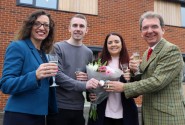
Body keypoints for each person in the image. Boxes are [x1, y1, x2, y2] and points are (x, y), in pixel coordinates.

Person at [106, 11, 185, 125]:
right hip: (149, 115)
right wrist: (134, 72)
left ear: (163, 29)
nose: (149, 31)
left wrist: (124, 87)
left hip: (167, 118)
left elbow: (157, 82)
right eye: (145, 28)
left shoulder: (171, 50)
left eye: (154, 26)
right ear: (141, 32)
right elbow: (143, 80)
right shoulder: (146, 53)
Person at [0, 10, 58, 125]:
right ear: (29, 26)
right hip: (20, 116)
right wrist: (35, 75)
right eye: (37, 23)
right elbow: (6, 84)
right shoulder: (18, 47)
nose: (42, 28)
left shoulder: (43, 53)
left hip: (40, 116)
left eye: (46, 25)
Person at [46, 14, 99, 125]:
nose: (78, 29)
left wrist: (89, 83)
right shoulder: (57, 47)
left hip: (78, 108)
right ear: (69, 28)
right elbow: (57, 75)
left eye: (81, 26)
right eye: (75, 25)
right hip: (59, 106)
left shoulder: (89, 53)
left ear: (86, 30)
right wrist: (84, 85)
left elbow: (89, 79)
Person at [87, 32, 139, 125]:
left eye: (116, 42)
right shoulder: (98, 63)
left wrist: (131, 78)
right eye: (110, 42)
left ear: (122, 44)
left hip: (125, 114)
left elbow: (136, 92)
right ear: (106, 45)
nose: (113, 45)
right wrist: (90, 95)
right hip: (102, 113)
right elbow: (90, 85)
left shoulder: (130, 64)